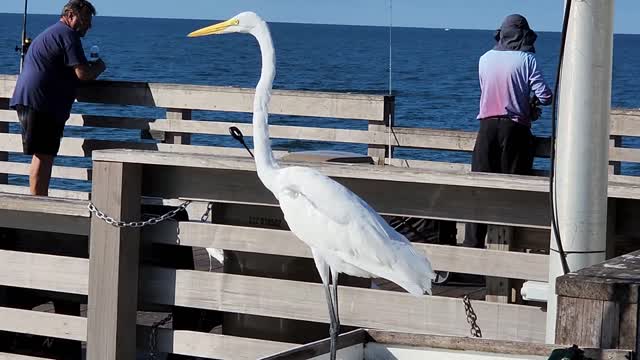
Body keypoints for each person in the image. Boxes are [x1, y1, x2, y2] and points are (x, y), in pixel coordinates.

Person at [464, 14, 553, 249]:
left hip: (486, 129)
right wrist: (529, 105)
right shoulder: (526, 59)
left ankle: (472, 248)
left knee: (480, 190)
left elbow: (489, 91)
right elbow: (545, 96)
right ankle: (514, 249)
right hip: (515, 130)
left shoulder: (484, 59)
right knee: (515, 190)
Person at [10, 0, 106, 196]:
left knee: (43, 155)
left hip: (33, 99)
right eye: (86, 18)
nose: (89, 24)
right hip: (41, 102)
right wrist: (100, 66)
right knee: (43, 156)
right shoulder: (68, 35)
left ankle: (38, 201)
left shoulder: (55, 32)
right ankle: (38, 205)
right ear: (70, 15)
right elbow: (83, 74)